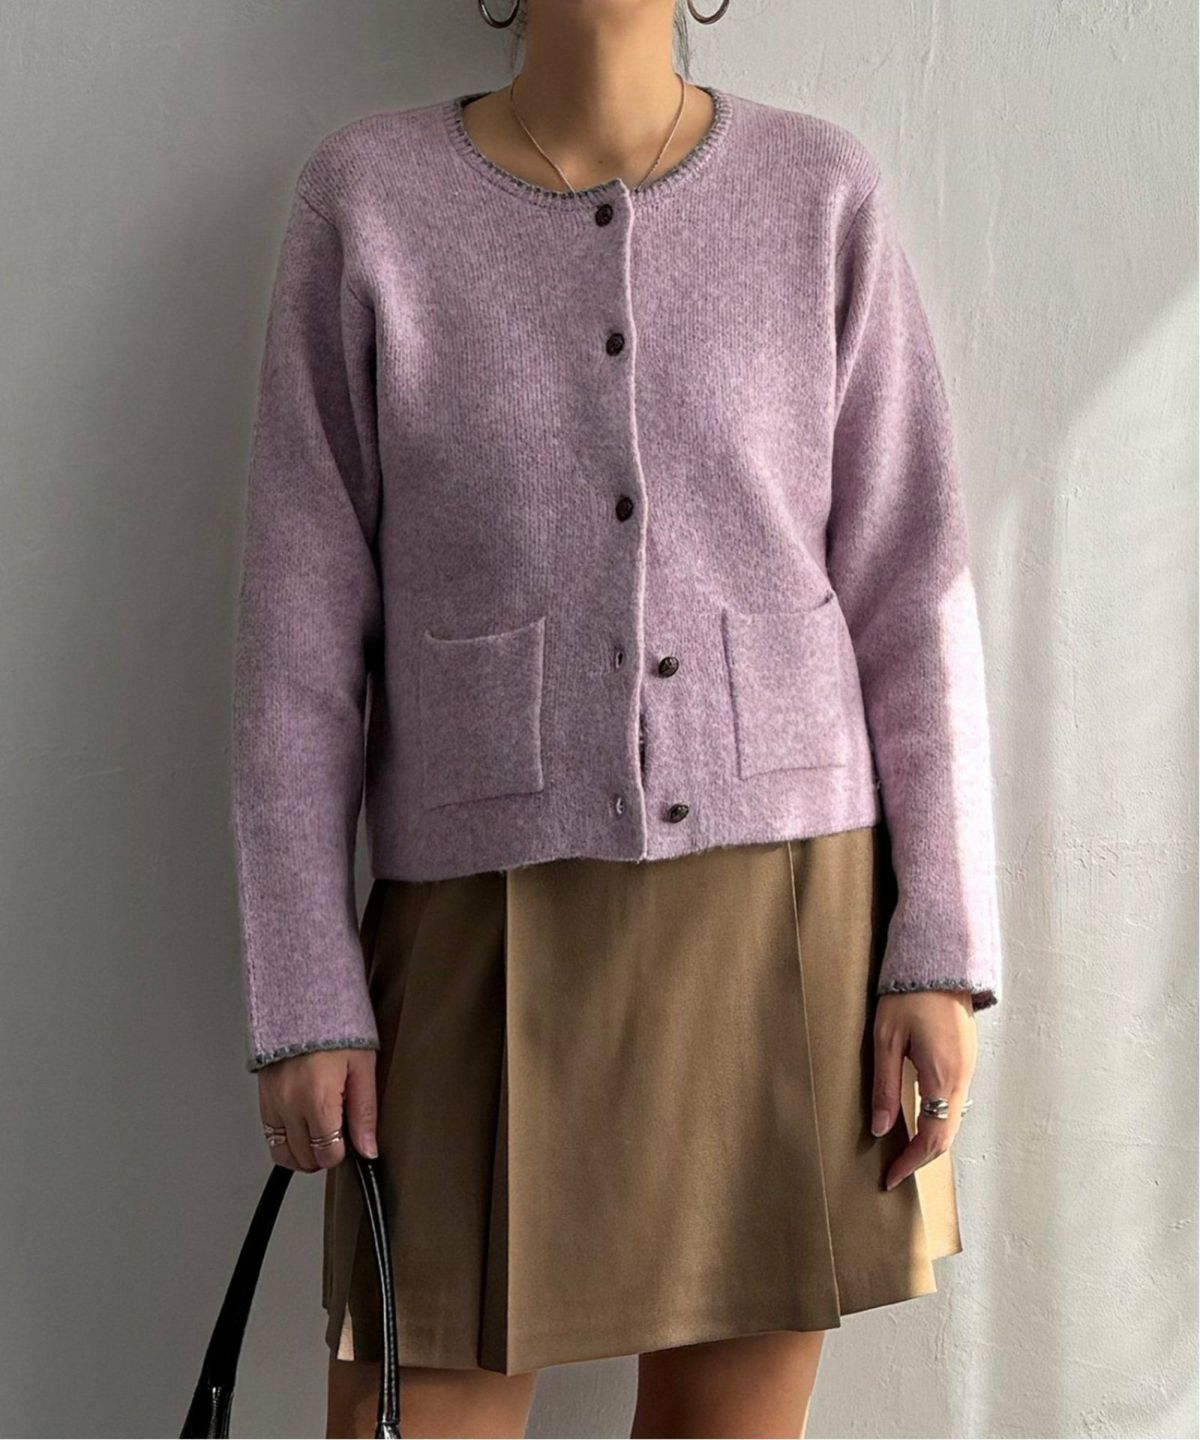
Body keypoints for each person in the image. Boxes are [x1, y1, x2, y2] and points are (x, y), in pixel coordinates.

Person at [230, 2, 1004, 1436]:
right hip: (471, 939)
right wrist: (305, 993)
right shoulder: (368, 201)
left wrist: (940, 952)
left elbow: (912, 593)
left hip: (785, 926)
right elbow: (296, 641)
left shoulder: (819, 193)